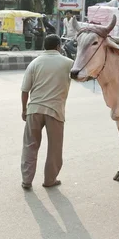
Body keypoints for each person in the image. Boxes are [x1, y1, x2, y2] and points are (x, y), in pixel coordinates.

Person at [20, 34, 74, 190]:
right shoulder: (68, 63)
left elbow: (24, 90)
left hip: (34, 109)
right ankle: (50, 179)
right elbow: (84, 74)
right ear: (58, 46)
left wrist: (24, 109)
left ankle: (26, 180)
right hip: (55, 111)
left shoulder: (34, 63)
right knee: (54, 148)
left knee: (30, 145)